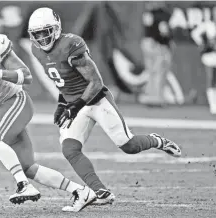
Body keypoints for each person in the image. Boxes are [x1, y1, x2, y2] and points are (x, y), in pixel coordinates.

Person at [0, 9, 96, 212]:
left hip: (15, 101)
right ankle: (81, 191)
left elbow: (26, 75)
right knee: (28, 167)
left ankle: (23, 186)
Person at [28, 7, 182, 206]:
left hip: (96, 100)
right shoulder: (37, 51)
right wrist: (62, 102)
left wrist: (75, 106)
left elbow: (96, 82)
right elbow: (63, 80)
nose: (41, 38)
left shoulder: (71, 45)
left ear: (56, 28)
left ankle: (157, 141)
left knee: (129, 145)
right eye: (37, 34)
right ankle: (101, 192)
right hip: (75, 104)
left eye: (45, 32)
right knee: (70, 149)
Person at [190, 3, 216, 115]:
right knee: (210, 78)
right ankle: (213, 105)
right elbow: (195, 33)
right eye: (215, 12)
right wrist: (202, 44)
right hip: (210, 55)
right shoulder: (207, 24)